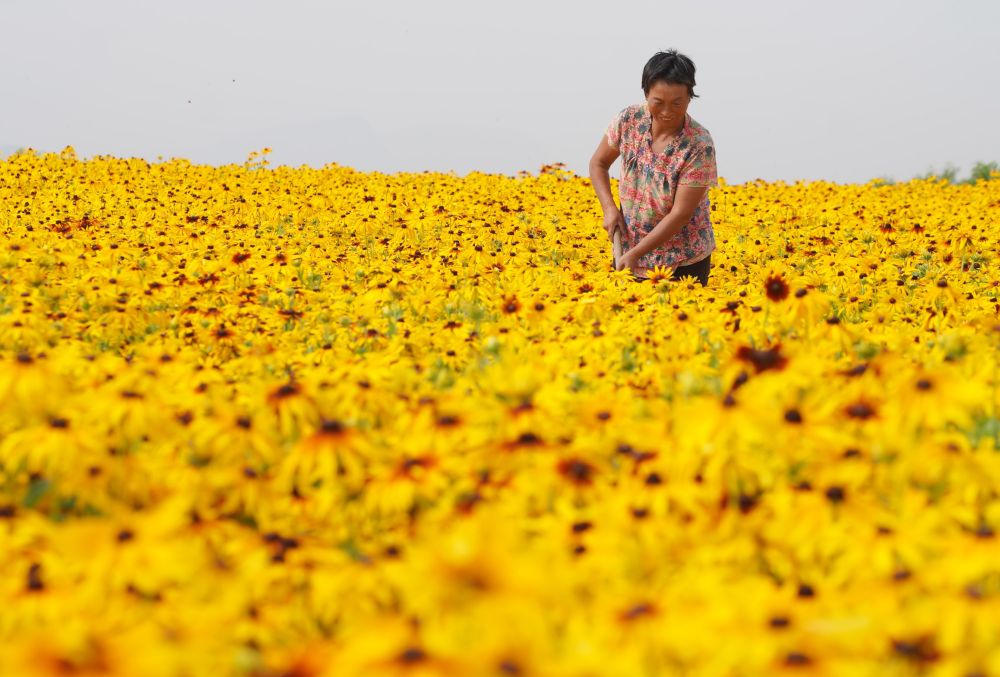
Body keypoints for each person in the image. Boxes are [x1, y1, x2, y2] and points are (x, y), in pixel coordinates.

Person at [589, 49, 718, 285]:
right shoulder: (629, 120)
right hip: (626, 251)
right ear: (646, 94)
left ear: (690, 96)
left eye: (677, 103)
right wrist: (609, 209)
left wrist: (637, 253)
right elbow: (598, 163)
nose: (667, 112)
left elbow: (680, 214)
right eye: (658, 102)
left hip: (681, 263)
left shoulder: (699, 145)